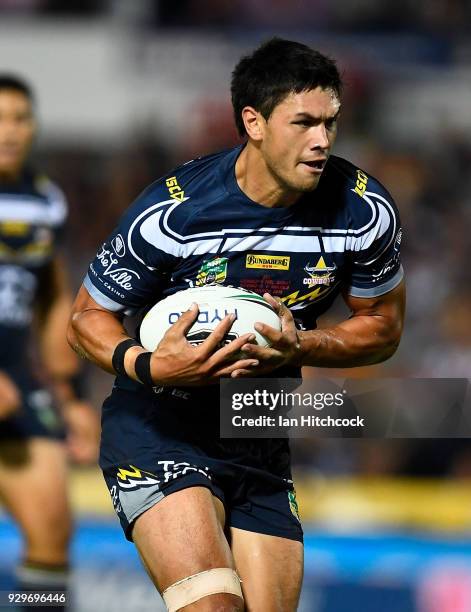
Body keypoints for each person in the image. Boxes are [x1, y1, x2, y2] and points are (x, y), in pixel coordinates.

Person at [68, 38, 405, 611]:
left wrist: (305, 343)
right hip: (159, 429)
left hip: (257, 432)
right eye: (303, 123)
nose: (322, 141)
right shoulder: (174, 213)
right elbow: (86, 316)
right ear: (253, 121)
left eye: (331, 123)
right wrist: (148, 363)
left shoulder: (363, 212)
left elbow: (382, 326)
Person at [0, 75, 99, 608]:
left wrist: (70, 395)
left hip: (17, 385)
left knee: (52, 534)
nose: (10, 131)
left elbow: (54, 302)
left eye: (20, 118)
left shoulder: (44, 202)